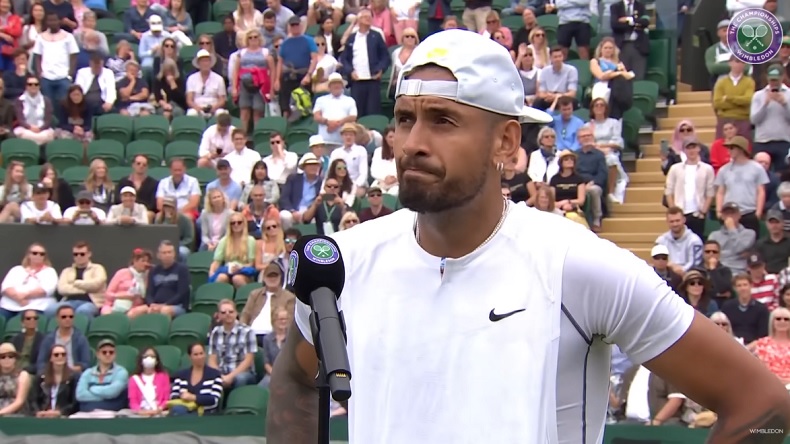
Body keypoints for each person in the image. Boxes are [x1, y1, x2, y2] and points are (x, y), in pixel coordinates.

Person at [266, 30, 790, 443]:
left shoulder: (576, 265)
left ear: (507, 140)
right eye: (405, 119)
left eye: (443, 120)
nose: (413, 143)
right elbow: (293, 378)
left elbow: (768, 410)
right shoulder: (344, 263)